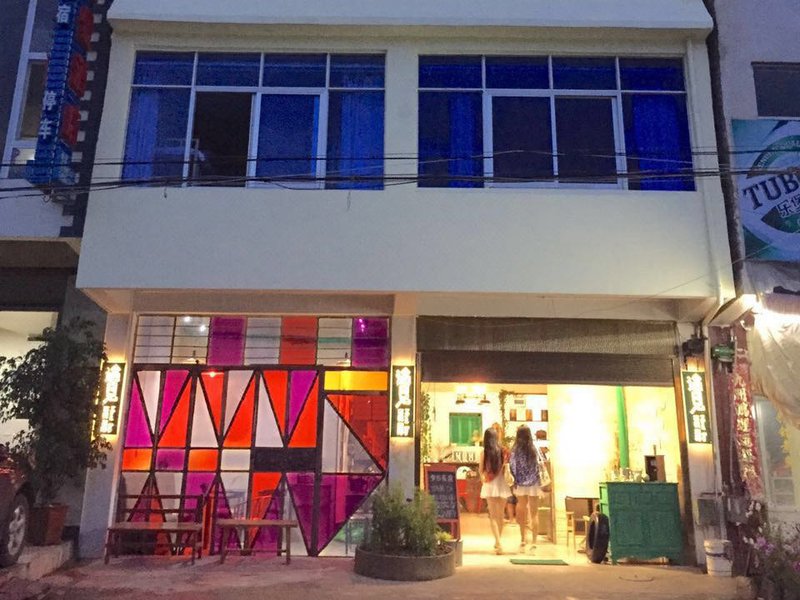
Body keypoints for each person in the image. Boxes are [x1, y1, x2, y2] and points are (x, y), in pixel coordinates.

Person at [510, 425, 544, 552]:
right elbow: (540, 465)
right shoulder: (534, 449)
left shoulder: (515, 450)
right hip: (534, 483)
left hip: (520, 483)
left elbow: (512, 466)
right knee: (534, 513)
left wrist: (515, 479)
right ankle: (534, 542)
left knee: (521, 510)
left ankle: (523, 539)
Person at [479, 427, 511, 554]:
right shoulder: (503, 451)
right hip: (502, 484)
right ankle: (498, 542)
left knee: (493, 516)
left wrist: (483, 479)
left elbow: (481, 470)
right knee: (501, 515)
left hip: (490, 484)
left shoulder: (484, 453)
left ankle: (498, 543)